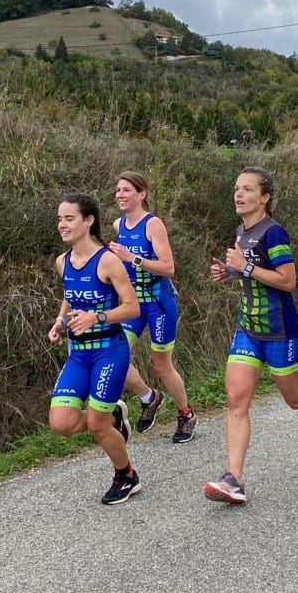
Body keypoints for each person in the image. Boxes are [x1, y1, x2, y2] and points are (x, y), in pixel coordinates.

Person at [204, 166, 298, 505]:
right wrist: (229, 272)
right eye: (236, 188)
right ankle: (234, 479)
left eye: (247, 190)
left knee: (296, 399)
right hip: (247, 329)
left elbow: (287, 280)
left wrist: (245, 267)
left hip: (281, 331)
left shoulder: (274, 233)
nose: (238, 195)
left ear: (265, 197)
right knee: (236, 399)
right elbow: (251, 272)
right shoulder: (242, 231)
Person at [47, 193, 143, 505]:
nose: (62, 225)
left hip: (109, 351)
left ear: (88, 221)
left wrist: (97, 317)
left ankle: (126, 475)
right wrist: (60, 321)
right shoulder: (63, 262)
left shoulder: (107, 261)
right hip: (78, 354)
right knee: (60, 423)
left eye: (69, 218)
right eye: (60, 219)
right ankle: (113, 416)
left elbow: (132, 308)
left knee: (95, 425)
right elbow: (70, 298)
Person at [106, 171, 198, 443]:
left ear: (142, 194)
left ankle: (186, 414)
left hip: (159, 302)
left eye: (126, 190)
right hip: (133, 304)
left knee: (161, 365)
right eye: (118, 190)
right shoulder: (118, 225)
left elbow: (169, 268)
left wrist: (131, 258)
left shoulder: (152, 224)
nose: (120, 195)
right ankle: (149, 397)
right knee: (115, 356)